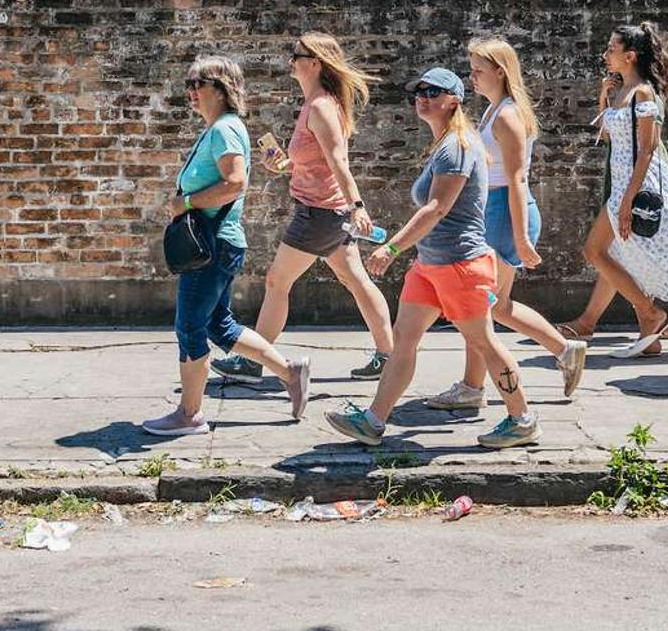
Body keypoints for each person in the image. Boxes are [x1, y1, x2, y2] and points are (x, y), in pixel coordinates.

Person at [324, 68, 539, 450]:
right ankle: (374, 421)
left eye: (433, 92)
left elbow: (437, 208)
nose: (422, 97)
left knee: (484, 341)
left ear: (454, 100)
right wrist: (417, 254)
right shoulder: (444, 143)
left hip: (459, 263)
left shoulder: (457, 146)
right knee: (404, 338)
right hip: (431, 264)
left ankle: (522, 419)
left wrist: (392, 248)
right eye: (418, 91)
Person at [210, 34, 396, 384]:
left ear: (315, 63)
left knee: (277, 281)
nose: (290, 61)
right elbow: (316, 162)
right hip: (328, 212)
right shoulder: (316, 103)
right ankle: (389, 355)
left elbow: (339, 161)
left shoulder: (322, 107)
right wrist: (284, 165)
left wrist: (358, 206)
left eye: (296, 55)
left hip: (319, 213)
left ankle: (254, 362)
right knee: (355, 280)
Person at [419, 39, 590, 412]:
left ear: (500, 70)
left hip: (504, 211)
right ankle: (557, 352)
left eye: (479, 70)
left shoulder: (508, 116)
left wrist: (520, 237)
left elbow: (517, 180)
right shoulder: (494, 111)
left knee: (480, 305)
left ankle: (475, 386)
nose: (473, 77)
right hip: (493, 210)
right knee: (489, 305)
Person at [142, 57, 309, 436]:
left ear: (220, 87)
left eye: (197, 83)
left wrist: (185, 203)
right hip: (219, 243)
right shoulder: (220, 129)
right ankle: (290, 372)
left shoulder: (224, 130)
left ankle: (189, 414)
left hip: (213, 245)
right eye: (189, 84)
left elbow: (235, 182)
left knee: (190, 327)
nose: (190, 92)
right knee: (220, 324)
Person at [593, 23, 668, 359]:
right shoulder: (621, 92)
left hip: (635, 185)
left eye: (611, 49)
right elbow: (606, 137)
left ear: (629, 56)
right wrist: (604, 96)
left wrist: (628, 199)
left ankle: (652, 314)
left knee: (598, 251)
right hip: (620, 184)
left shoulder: (643, 93)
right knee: (628, 257)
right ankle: (651, 326)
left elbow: (647, 150)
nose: (606, 55)